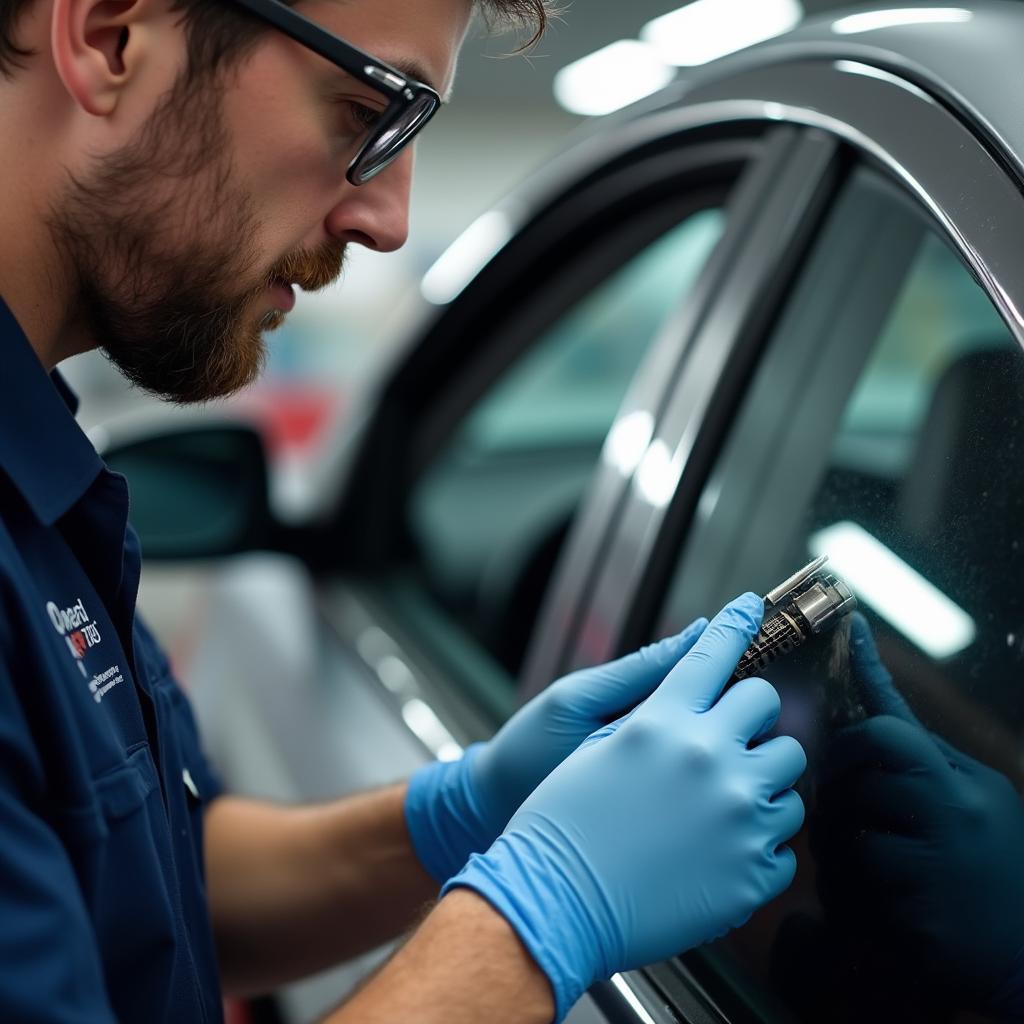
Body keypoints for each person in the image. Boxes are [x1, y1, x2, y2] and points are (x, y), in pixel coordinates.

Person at [0, 1, 807, 1021]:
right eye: (362, 113)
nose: (385, 220)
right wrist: (539, 914)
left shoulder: (45, 476)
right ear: (111, 38)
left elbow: (160, 886)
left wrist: (459, 811)